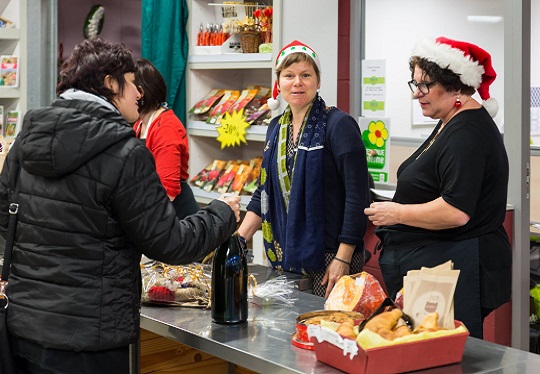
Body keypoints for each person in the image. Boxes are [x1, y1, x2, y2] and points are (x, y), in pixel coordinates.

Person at [0, 37, 241, 373]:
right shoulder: (125, 153)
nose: (139, 93)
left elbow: (5, 220)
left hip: (25, 329)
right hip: (91, 340)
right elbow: (170, 243)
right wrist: (223, 213)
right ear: (109, 83)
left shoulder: (25, 141)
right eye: (131, 82)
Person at [364, 36, 511, 339]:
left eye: (425, 85)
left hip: (458, 266)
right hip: (439, 263)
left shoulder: (467, 133)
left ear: (456, 86)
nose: (416, 94)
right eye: (414, 84)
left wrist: (397, 213)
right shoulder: (449, 119)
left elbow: (456, 212)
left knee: (445, 354)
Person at [238, 40, 371, 298]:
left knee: (329, 331)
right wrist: (239, 239)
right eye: (289, 75)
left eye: (305, 75)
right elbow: (264, 190)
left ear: (318, 81)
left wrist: (343, 257)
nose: (297, 82)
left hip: (331, 255)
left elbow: (358, 197)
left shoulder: (338, 125)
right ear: (279, 83)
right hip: (286, 254)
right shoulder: (276, 127)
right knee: (287, 331)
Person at [133, 57, 200, 220]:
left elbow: (167, 191)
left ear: (140, 93)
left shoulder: (166, 128)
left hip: (175, 215)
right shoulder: (139, 125)